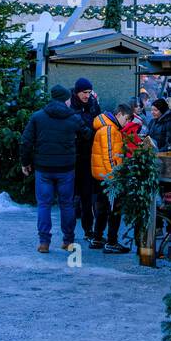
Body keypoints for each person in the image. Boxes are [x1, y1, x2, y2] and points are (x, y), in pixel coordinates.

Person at [20, 84, 84, 253]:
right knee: (67, 204)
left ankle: (44, 243)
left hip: (43, 168)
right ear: (65, 99)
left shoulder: (38, 117)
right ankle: (68, 241)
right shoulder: (73, 117)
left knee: (43, 205)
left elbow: (26, 142)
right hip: (67, 168)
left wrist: (25, 163)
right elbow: (86, 135)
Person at [90, 108, 130, 253]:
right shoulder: (109, 129)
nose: (126, 123)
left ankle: (97, 238)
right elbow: (108, 155)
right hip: (109, 177)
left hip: (102, 175)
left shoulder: (107, 127)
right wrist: (115, 176)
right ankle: (111, 242)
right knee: (113, 209)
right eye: (126, 119)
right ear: (119, 114)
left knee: (102, 209)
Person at [69, 77, 99, 240]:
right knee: (72, 196)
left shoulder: (93, 104)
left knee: (87, 196)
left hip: (89, 155)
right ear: (77, 92)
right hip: (73, 156)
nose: (87, 95)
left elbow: (98, 123)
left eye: (89, 92)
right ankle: (69, 233)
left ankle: (88, 229)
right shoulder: (70, 106)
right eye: (84, 92)